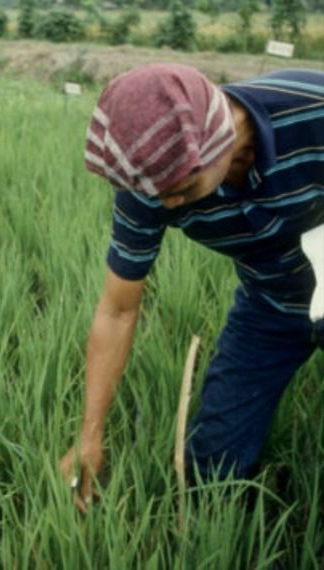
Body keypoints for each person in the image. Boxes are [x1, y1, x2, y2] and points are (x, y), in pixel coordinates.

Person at [59, 63, 324, 511]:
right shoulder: (147, 183)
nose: (166, 204)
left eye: (181, 191)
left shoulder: (312, 110)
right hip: (269, 302)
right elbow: (117, 310)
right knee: (211, 468)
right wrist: (89, 437)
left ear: (218, 143)